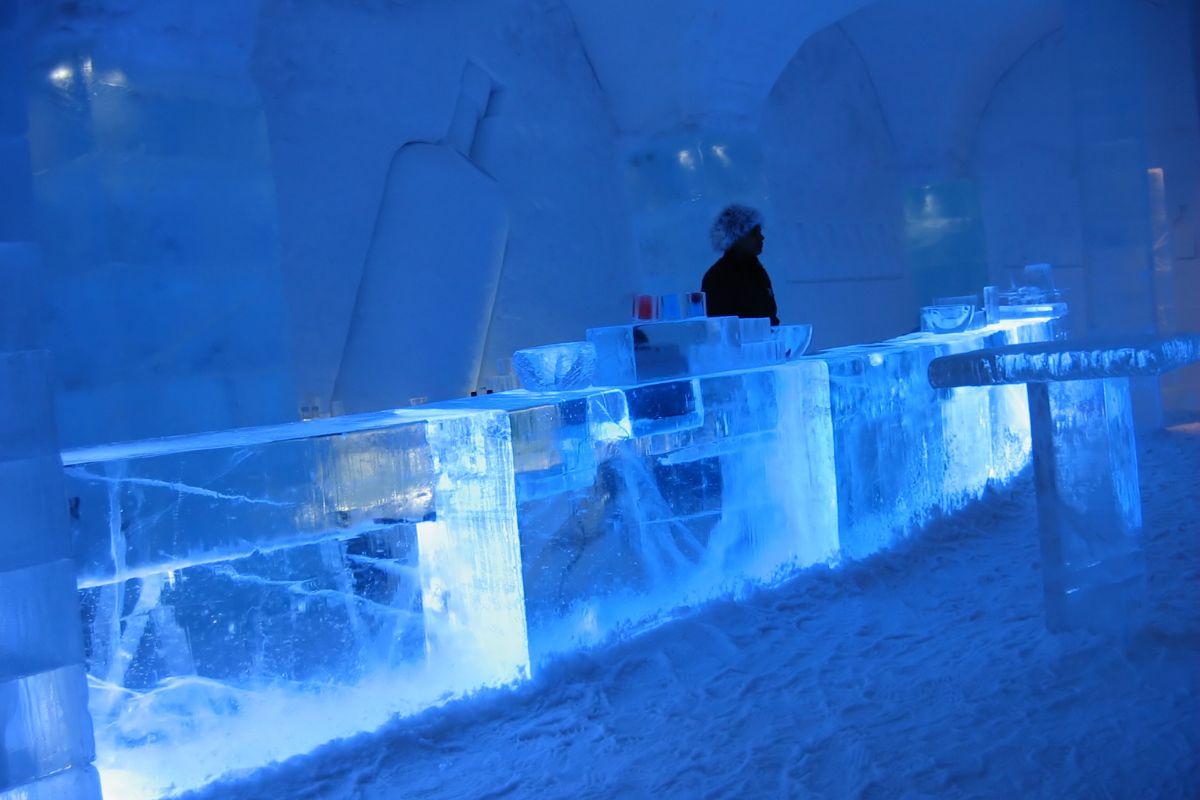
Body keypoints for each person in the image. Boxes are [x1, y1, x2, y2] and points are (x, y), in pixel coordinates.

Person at [701, 203, 780, 326]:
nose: (762, 238)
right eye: (754, 233)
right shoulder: (718, 277)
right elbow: (719, 327)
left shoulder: (757, 271)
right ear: (737, 236)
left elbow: (770, 317)